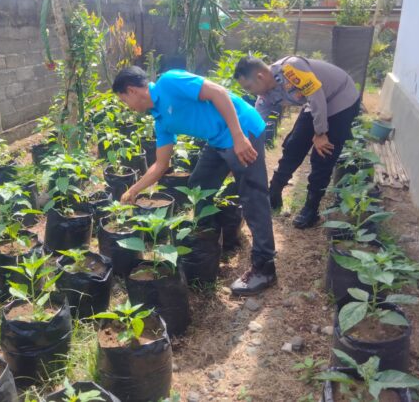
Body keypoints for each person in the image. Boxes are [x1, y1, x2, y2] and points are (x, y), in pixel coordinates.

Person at [112, 66, 276, 296]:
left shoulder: (169, 81)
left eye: (123, 99)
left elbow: (218, 92)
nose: (126, 106)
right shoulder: (160, 119)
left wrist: (238, 136)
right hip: (218, 139)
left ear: (131, 90)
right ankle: (211, 242)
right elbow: (161, 165)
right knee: (199, 184)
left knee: (253, 197)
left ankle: (265, 268)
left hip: (242, 129)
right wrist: (133, 191)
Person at [233, 55, 361, 229]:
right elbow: (256, 122)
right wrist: (244, 145)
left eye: (249, 87)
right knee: (294, 145)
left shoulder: (291, 68)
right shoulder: (266, 94)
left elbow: (316, 96)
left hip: (340, 99)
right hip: (316, 102)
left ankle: (311, 208)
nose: (250, 92)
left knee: (323, 154)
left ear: (260, 77)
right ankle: (274, 192)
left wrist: (321, 132)